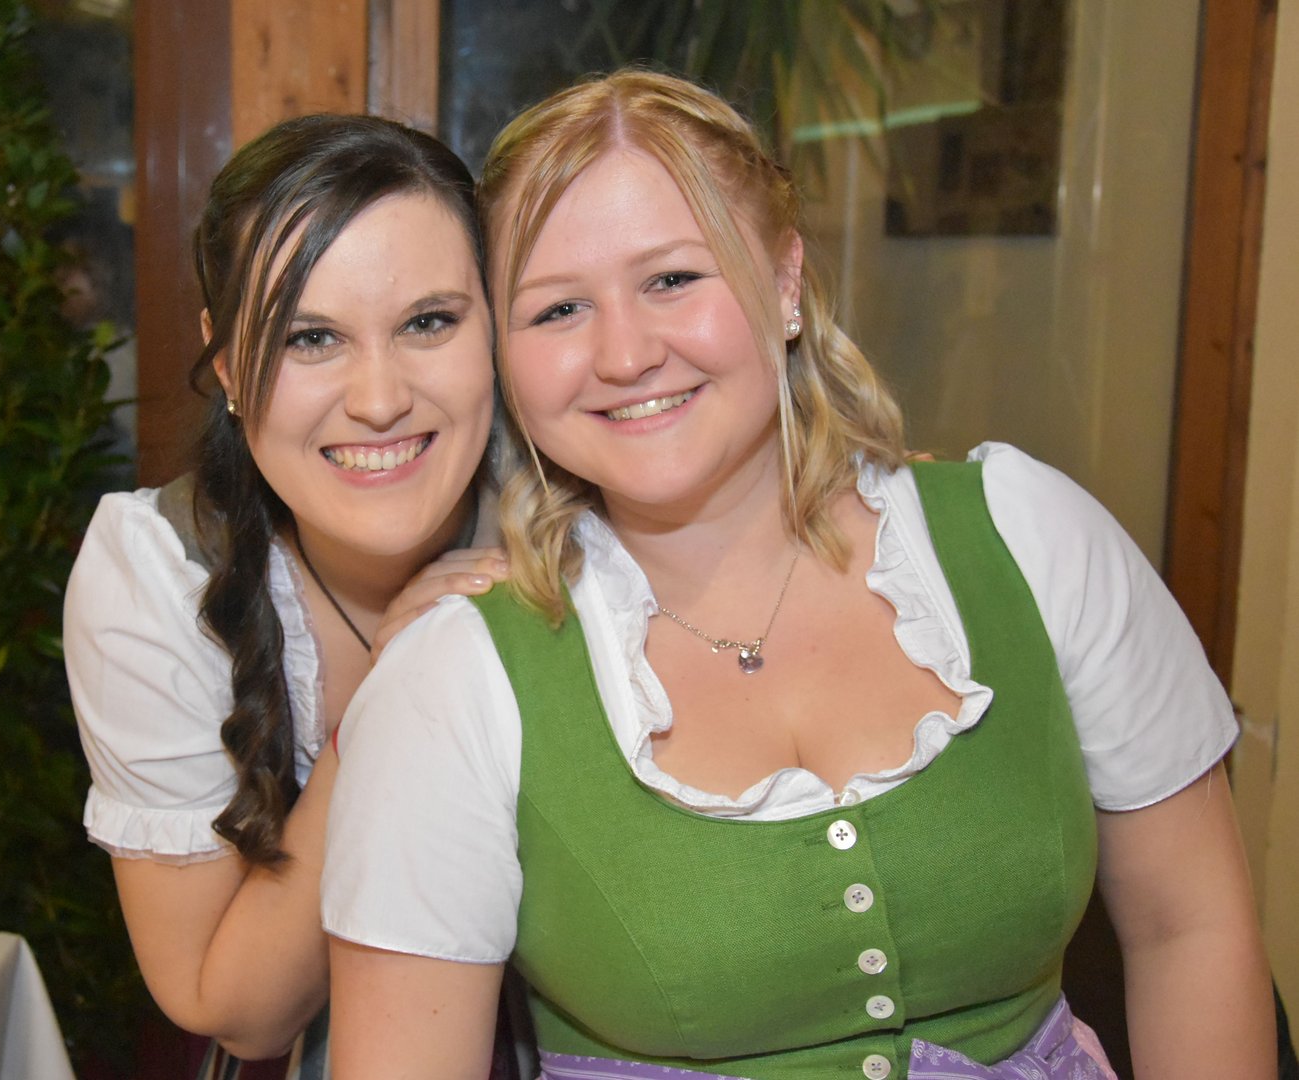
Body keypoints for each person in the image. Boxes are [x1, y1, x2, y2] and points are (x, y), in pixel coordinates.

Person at [321, 70, 1275, 1079]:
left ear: (783, 283)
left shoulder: (1029, 538)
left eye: (671, 279)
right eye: (556, 309)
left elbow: (1187, 930)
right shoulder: (453, 683)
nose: (624, 354)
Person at [63, 113, 506, 1071]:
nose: (379, 399)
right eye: (310, 338)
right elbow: (234, 1009)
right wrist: (390, 700)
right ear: (227, 365)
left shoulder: (587, 510)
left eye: (428, 322)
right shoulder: (162, 574)